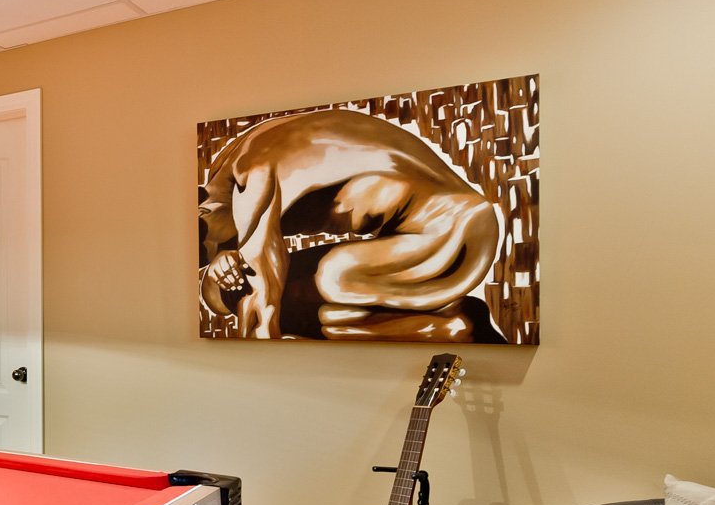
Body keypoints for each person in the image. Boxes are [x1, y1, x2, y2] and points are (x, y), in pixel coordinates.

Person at [199, 109, 503, 341]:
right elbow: (232, 288)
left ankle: (456, 329)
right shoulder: (235, 165)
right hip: (434, 230)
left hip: (452, 229)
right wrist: (219, 270)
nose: (229, 247)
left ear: (202, 209)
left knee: (328, 277)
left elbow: (260, 306)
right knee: (256, 293)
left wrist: (254, 375)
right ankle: (448, 326)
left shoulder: (251, 178)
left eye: (214, 244)